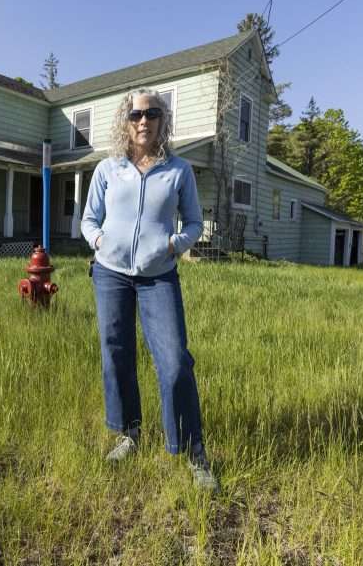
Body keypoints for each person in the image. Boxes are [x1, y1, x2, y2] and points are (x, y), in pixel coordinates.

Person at [81, 88, 218, 492]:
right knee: (116, 351)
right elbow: (89, 220)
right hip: (111, 273)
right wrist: (100, 242)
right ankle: (130, 433)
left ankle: (193, 450)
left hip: (159, 275)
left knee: (175, 361)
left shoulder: (179, 171)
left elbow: (194, 223)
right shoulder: (108, 169)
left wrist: (173, 244)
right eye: (136, 114)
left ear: (162, 120)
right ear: (125, 120)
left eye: (152, 114)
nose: (143, 121)